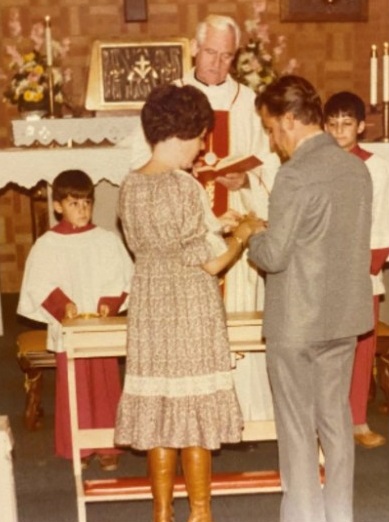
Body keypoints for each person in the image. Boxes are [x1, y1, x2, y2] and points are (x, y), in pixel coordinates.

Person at [117, 14, 280, 423]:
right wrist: (184, 173)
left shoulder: (249, 102)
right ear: (194, 47)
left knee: (239, 310)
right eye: (211, 53)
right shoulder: (169, 100)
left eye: (227, 56)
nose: (217, 64)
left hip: (233, 212)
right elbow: (142, 162)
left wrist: (246, 177)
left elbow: (274, 161)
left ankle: (245, 409)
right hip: (181, 240)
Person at [114, 83, 259, 522]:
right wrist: (241, 234)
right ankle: (200, 514)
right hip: (190, 311)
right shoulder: (185, 185)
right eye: (199, 136)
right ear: (180, 133)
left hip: (151, 309)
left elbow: (164, 243)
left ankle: (162, 514)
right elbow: (211, 264)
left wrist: (213, 223)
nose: (201, 148)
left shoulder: (131, 184)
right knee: (194, 421)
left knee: (162, 418)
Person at [248, 75, 373, 522]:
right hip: (343, 318)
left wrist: (252, 237)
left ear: (289, 120)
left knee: (298, 429)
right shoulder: (355, 168)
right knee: (336, 423)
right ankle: (340, 516)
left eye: (270, 127)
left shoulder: (294, 174)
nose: (272, 139)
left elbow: (276, 255)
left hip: (297, 323)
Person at [17, 170, 133, 471]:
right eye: (73, 203)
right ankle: (77, 445)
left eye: (87, 203)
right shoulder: (48, 244)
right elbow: (38, 283)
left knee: (105, 383)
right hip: (69, 328)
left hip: (99, 326)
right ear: (58, 206)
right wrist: (61, 306)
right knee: (74, 385)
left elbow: (123, 278)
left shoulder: (106, 240)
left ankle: (108, 445)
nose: (82, 209)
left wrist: (110, 303)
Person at [324, 91, 389, 449]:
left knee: (362, 345)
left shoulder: (376, 167)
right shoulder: (317, 164)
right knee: (327, 349)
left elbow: (381, 219)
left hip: (361, 270)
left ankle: (357, 422)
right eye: (331, 124)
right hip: (323, 270)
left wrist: (368, 263)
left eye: (346, 124)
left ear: (361, 126)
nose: (339, 131)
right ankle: (326, 420)